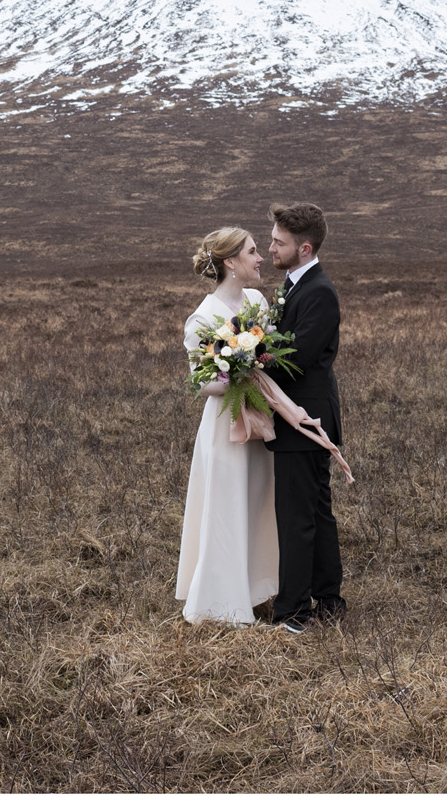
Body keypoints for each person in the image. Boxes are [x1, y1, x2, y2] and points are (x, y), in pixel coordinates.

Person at [173, 227, 280, 625]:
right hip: (225, 427)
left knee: (256, 501)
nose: (260, 258)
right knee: (227, 506)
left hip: (259, 421)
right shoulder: (202, 317)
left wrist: (261, 361)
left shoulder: (256, 300)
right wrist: (240, 369)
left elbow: (270, 346)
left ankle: (257, 587)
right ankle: (221, 602)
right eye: (253, 252)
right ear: (231, 262)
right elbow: (202, 383)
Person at [265, 201, 344, 632]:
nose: (270, 248)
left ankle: (293, 613)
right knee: (315, 509)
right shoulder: (297, 287)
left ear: (305, 247)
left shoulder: (318, 293)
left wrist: (249, 354)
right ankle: (329, 601)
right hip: (304, 418)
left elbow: (294, 358)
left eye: (279, 242)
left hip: (305, 419)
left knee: (297, 515)